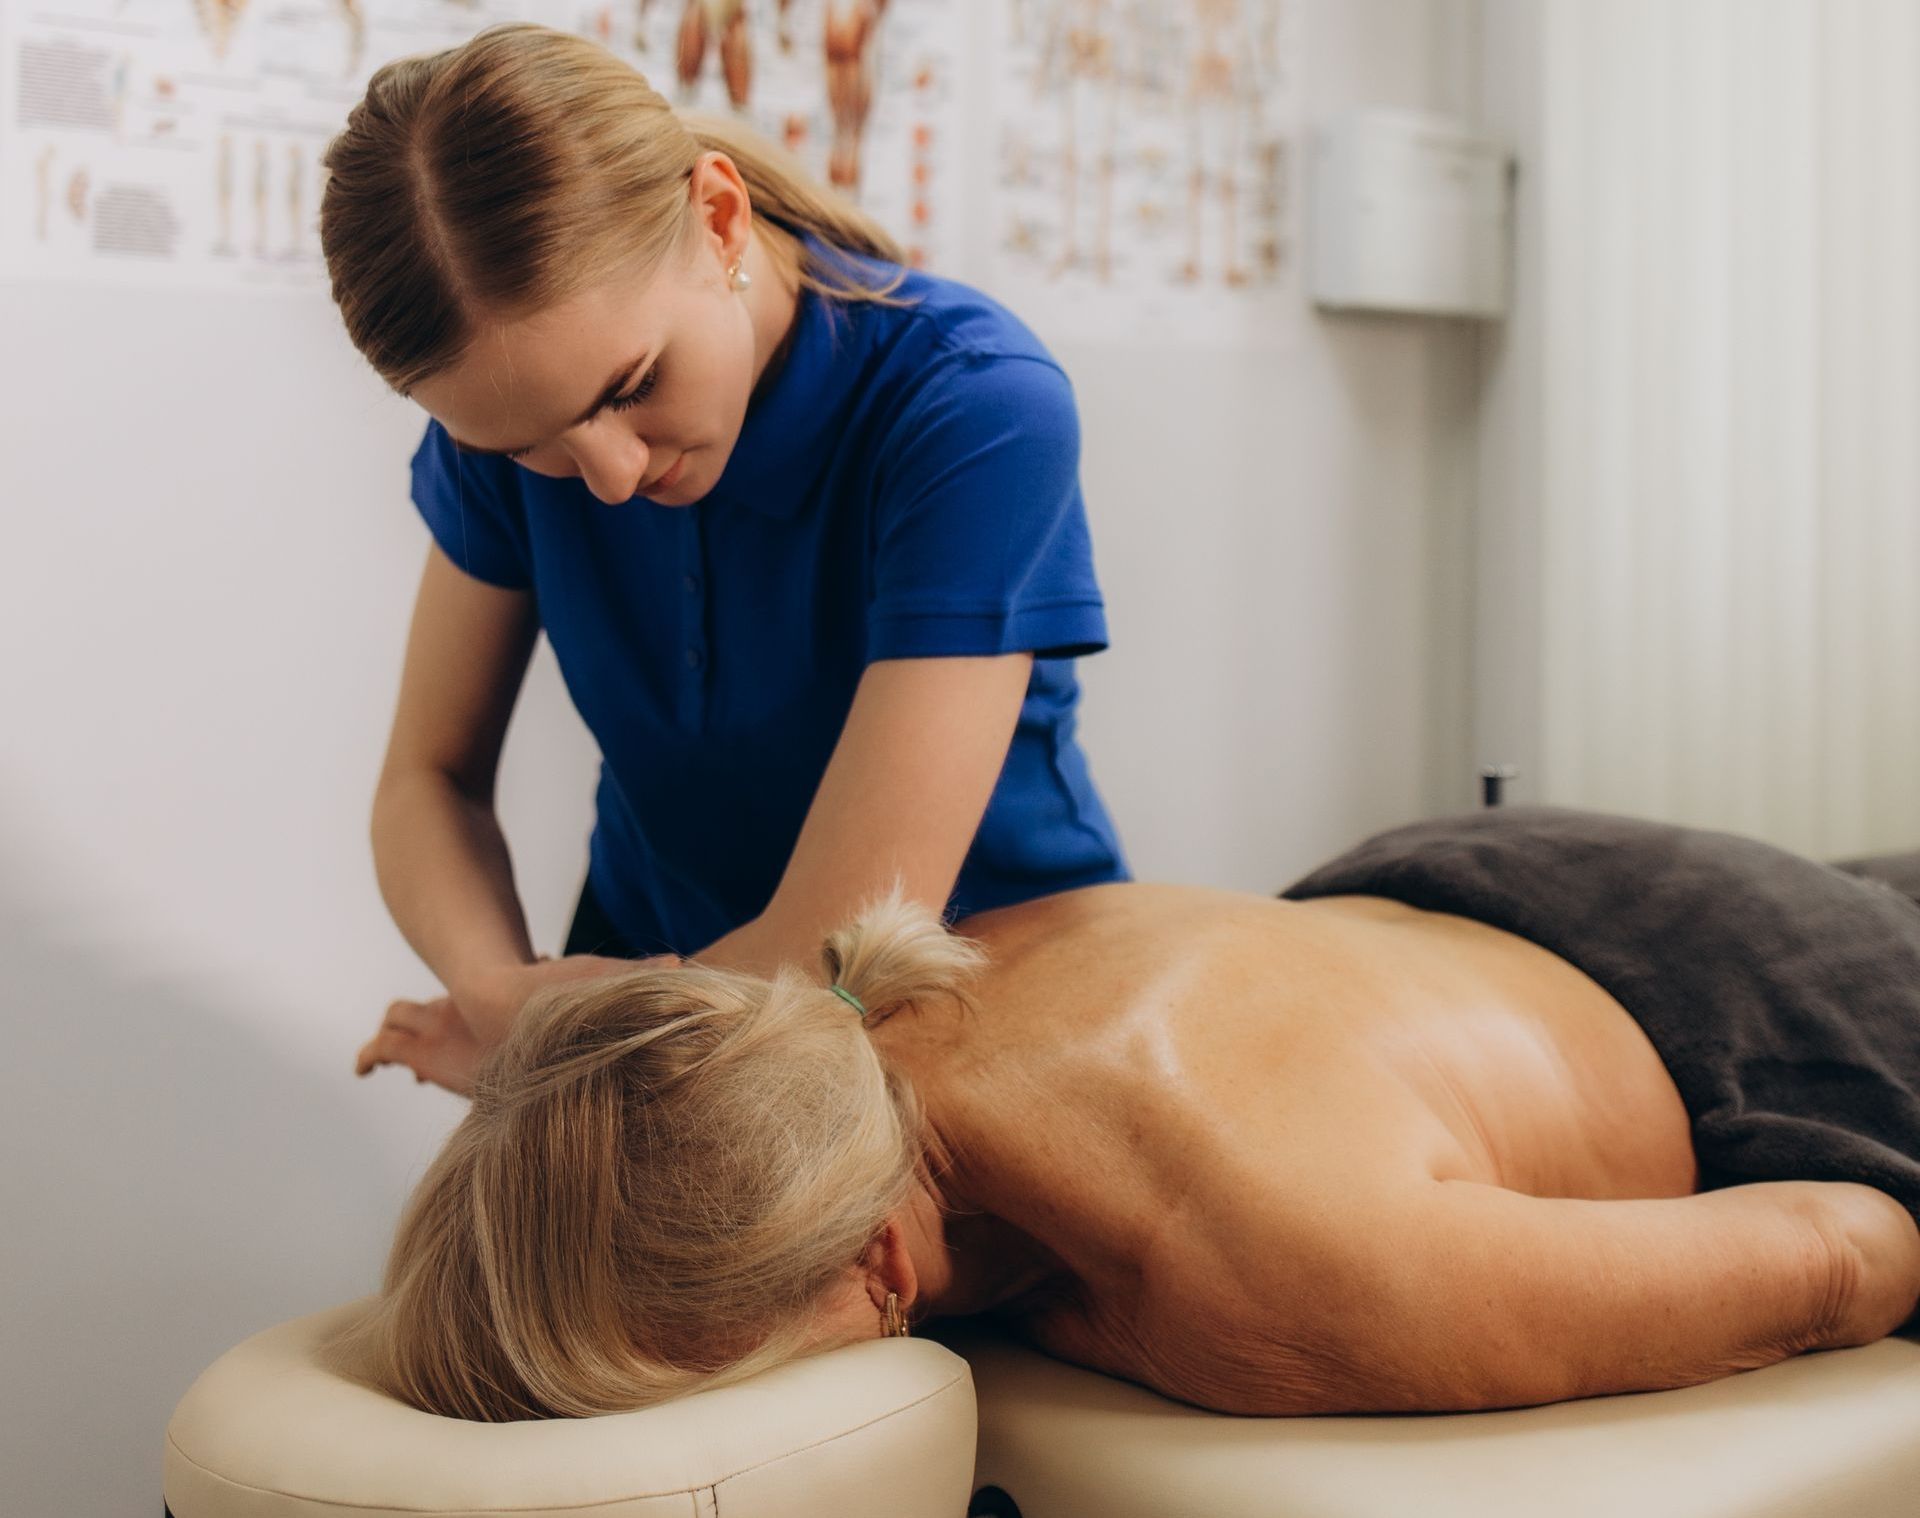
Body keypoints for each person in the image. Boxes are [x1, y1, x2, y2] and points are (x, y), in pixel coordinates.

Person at [336, 806, 1920, 1421]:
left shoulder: (1275, 1262)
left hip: (1755, 1021)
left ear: (880, 1268)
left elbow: (1850, 1252)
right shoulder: (843, 1020)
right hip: (1455, 888)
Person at [316, 23, 1129, 1060]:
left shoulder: (975, 407)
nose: (610, 477)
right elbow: (427, 783)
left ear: (720, 217)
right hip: (641, 978)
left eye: (632, 387)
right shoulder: (507, 419)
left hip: (976, 1003)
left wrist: (558, 1036)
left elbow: (839, 954)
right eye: (531, 447)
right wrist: (500, 997)